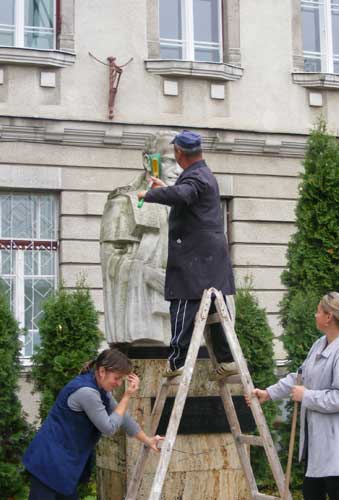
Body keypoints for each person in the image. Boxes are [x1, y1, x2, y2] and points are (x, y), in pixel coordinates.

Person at [247, 292, 339, 500]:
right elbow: (300, 377)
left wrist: (307, 396)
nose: (315, 315)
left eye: (318, 311)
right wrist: (268, 393)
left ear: (329, 316)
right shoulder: (320, 344)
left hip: (338, 442)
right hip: (320, 441)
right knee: (312, 492)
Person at [137, 129, 237, 378]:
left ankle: (177, 361)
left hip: (195, 259)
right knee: (215, 310)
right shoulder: (201, 174)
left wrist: (149, 194)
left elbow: (183, 193)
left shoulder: (196, 177)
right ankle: (226, 360)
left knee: (183, 304)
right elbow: (185, 194)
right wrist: (165, 188)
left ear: (180, 153)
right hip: (209, 260)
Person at [23, 349, 163, 500]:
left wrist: (148, 440)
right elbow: (109, 427)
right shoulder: (87, 392)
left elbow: (123, 417)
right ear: (102, 371)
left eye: (122, 379)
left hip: (64, 464)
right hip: (49, 461)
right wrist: (127, 396)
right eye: (117, 378)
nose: (118, 383)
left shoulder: (101, 390)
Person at [100, 131, 181, 346]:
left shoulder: (189, 205)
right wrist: (148, 275)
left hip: (184, 306)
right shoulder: (124, 202)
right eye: (171, 161)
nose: (179, 170)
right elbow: (111, 261)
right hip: (146, 313)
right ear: (148, 161)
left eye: (183, 162)